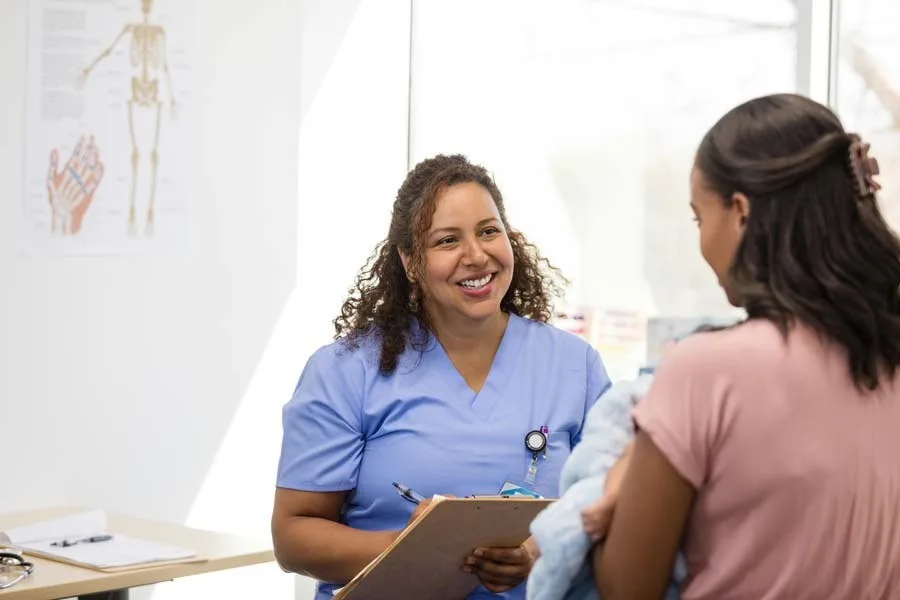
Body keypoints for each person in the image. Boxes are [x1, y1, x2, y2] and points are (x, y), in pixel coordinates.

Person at [588, 93, 900, 600]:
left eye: (697, 217)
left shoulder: (707, 371)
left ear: (739, 211)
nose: (701, 239)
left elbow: (625, 588)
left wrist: (621, 473)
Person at [272, 154, 611, 599]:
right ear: (410, 262)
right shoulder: (345, 370)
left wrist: (537, 552)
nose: (476, 255)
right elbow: (293, 536)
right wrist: (416, 549)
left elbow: (610, 502)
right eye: (447, 241)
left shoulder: (574, 365)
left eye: (489, 231)